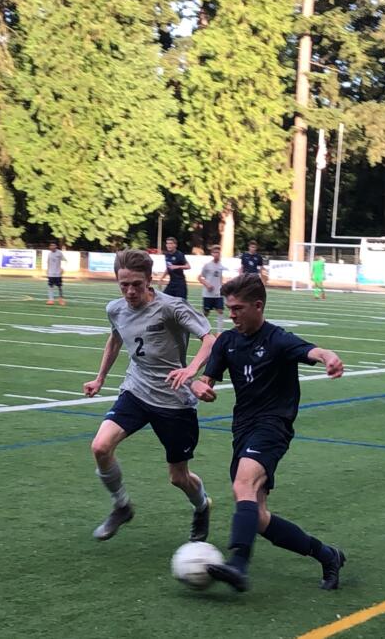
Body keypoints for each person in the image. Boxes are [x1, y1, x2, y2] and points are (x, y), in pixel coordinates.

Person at [190, 273, 346, 593]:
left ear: (258, 306)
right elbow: (206, 381)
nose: (231, 314)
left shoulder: (278, 339)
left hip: (273, 426)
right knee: (258, 516)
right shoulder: (227, 342)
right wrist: (198, 387)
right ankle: (327, 555)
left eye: (238, 308)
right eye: (228, 308)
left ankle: (238, 563)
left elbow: (314, 351)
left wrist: (329, 357)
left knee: (242, 483)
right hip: (243, 429)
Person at [83, 249, 217, 543]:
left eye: (136, 285)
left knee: (178, 478)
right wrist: (100, 378)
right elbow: (115, 339)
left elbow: (210, 340)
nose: (130, 291)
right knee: (100, 447)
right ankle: (122, 506)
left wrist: (191, 370)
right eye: (124, 285)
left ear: (149, 280)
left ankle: (201, 505)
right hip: (136, 390)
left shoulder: (172, 308)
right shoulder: (115, 309)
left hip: (173, 400)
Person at [197, 245, 227, 333]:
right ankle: (201, 328)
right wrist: (207, 284)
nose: (216, 254)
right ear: (212, 254)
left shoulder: (221, 266)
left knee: (220, 311)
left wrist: (223, 287)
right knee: (206, 312)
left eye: (218, 252)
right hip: (208, 294)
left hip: (218, 293)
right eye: (214, 252)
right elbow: (199, 277)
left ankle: (219, 332)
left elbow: (220, 278)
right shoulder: (207, 265)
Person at [45, 241, 66, 306]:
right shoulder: (49, 254)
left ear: (56, 246)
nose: (52, 247)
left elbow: (65, 260)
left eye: (53, 245)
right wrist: (47, 270)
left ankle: (61, 300)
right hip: (51, 273)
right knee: (50, 287)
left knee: (59, 287)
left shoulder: (59, 253)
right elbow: (48, 262)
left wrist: (62, 268)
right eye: (51, 245)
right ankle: (51, 300)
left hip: (58, 274)